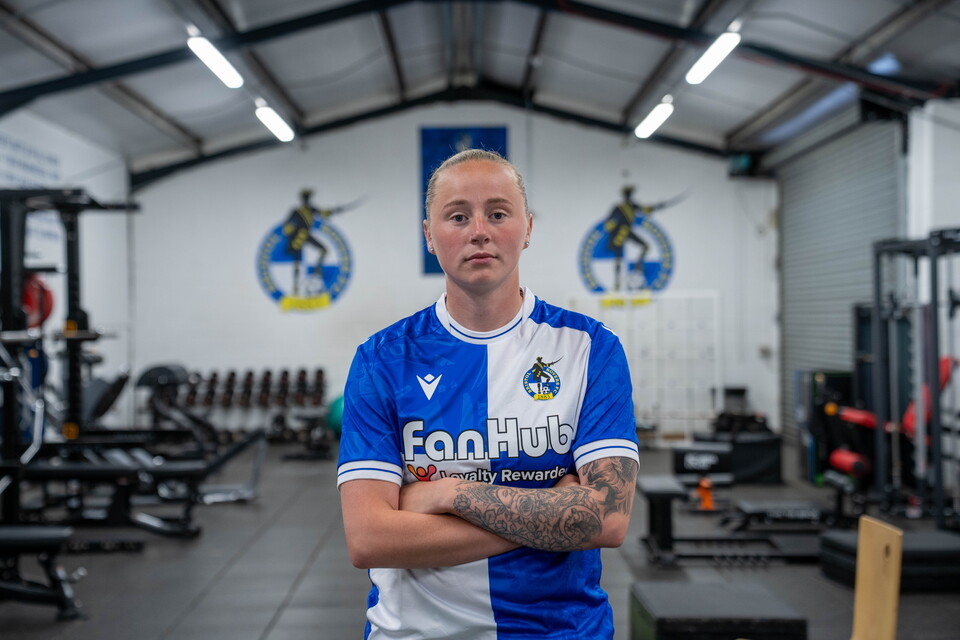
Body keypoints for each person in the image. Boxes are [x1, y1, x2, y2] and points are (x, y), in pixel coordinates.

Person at [337, 149, 639, 639]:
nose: (479, 230)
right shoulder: (382, 359)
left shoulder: (590, 349)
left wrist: (446, 494)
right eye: (458, 216)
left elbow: (606, 520)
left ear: (528, 228)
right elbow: (369, 538)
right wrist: (552, 513)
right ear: (429, 236)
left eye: (498, 213)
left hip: (560, 630)